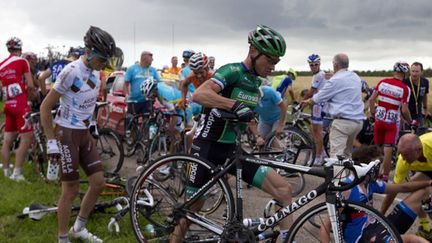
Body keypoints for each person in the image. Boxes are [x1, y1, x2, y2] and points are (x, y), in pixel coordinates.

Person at [170, 25, 293, 242]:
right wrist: (233, 104)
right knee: (192, 210)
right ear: (254, 52)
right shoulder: (232, 71)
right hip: (206, 147)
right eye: (270, 60)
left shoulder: (256, 84)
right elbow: (200, 94)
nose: (273, 67)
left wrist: (256, 134)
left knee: (283, 189)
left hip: (231, 150)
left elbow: (248, 116)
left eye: (277, 62)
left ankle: (286, 237)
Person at [40, 26, 116, 243]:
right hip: (66, 134)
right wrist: (51, 141)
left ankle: (79, 228)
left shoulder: (96, 71)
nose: (103, 64)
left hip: (84, 133)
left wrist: (92, 123)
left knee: (99, 182)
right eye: (101, 58)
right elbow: (45, 108)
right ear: (89, 51)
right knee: (71, 189)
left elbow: (88, 102)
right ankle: (62, 238)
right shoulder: (70, 71)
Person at [320, 145, 430, 243]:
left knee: (423, 191)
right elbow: (326, 224)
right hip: (361, 237)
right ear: (365, 167)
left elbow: (402, 187)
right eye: (377, 168)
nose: (381, 171)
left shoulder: (370, 183)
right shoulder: (347, 189)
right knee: (411, 239)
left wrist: (429, 182)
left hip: (376, 227)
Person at [302, 53, 365, 159]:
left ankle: (334, 171)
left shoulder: (334, 80)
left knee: (336, 158)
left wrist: (307, 101)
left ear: (335, 65)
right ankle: (348, 175)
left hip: (342, 123)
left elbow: (318, 97)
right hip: (358, 122)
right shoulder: (355, 76)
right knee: (346, 155)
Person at [381, 133, 432, 241]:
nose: (403, 158)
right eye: (401, 154)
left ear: (418, 150)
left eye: (406, 155)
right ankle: (426, 226)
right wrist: (380, 216)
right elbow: (394, 191)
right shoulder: (402, 161)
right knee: (414, 186)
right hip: (428, 168)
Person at [368, 61, 413, 182]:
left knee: (377, 149)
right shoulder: (405, 88)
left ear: (394, 71)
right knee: (388, 150)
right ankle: (384, 178)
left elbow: (372, 99)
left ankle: (372, 174)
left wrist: (372, 113)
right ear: (405, 73)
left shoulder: (382, 82)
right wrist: (410, 121)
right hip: (392, 123)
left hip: (379, 120)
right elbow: (404, 109)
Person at [0, 37, 36, 180]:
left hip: (8, 105)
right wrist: (33, 95)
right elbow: (31, 84)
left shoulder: (1, 65)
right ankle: (17, 173)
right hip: (20, 104)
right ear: (20, 49)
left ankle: (6, 171)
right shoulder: (22, 61)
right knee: (26, 138)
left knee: (8, 139)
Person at [123, 50, 161, 127]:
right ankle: (131, 138)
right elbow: (125, 84)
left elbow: (159, 84)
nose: (152, 59)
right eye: (151, 57)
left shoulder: (153, 70)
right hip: (134, 101)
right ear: (144, 57)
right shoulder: (132, 69)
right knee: (132, 123)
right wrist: (126, 95)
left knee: (147, 122)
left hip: (147, 101)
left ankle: (145, 138)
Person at [302, 54, 328, 165]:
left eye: (315, 64)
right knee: (315, 131)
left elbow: (310, 92)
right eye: (311, 65)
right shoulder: (319, 74)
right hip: (319, 105)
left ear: (319, 64)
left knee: (317, 132)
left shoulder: (318, 75)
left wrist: (301, 104)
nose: (313, 67)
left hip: (319, 105)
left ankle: (318, 157)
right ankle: (323, 154)